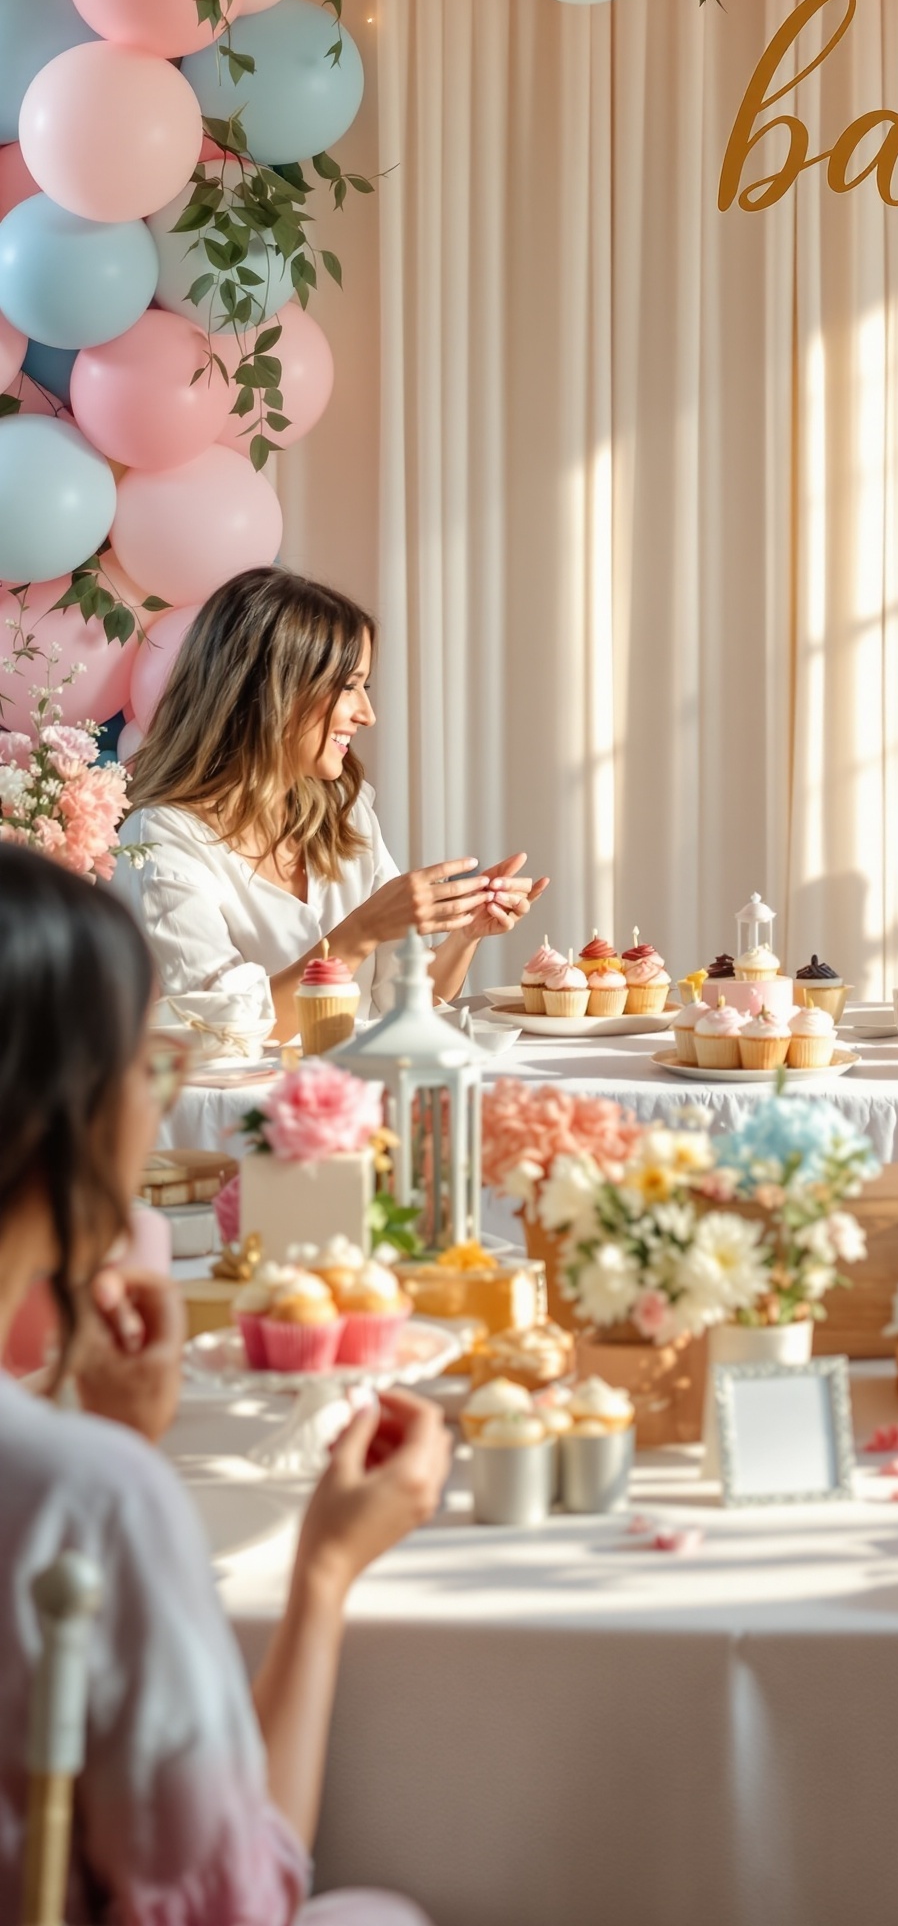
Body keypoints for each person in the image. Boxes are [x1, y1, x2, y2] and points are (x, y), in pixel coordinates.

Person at [0, 843, 453, 1925]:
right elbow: (231, 1905)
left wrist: (118, 1435)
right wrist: (326, 1572)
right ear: (59, 1111)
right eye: (148, 1065)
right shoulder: (86, 1495)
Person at [122, 567, 548, 1043]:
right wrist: (361, 931)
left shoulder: (345, 812)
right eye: (348, 686)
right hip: (244, 1115)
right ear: (271, 690)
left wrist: (466, 933)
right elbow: (223, 1029)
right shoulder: (158, 839)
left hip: (356, 1098)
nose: (367, 714)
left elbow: (401, 999)